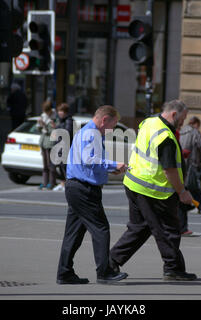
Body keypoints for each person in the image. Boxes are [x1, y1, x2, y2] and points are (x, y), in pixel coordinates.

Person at [108, 99, 198, 281]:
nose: (183, 122)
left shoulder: (149, 122)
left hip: (134, 183)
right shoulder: (165, 137)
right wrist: (182, 192)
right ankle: (173, 268)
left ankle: (110, 262)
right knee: (168, 230)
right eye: (183, 118)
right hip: (153, 190)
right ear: (174, 114)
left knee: (140, 228)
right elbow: (169, 170)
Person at [56, 105, 129, 285]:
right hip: (84, 189)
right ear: (104, 120)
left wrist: (108, 170)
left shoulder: (87, 132)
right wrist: (113, 165)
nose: (112, 130)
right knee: (101, 228)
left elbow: (88, 162)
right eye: (113, 125)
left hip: (76, 187)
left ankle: (64, 273)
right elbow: (89, 160)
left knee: (73, 234)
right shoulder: (92, 133)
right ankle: (104, 272)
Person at [180, 116, 201, 215]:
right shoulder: (194, 132)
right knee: (195, 188)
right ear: (196, 124)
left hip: (182, 163)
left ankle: (191, 206)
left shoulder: (181, 132)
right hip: (193, 164)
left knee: (186, 187)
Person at [52, 103, 74, 192]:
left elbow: (67, 133)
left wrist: (56, 129)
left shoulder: (69, 120)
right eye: (59, 111)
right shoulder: (61, 121)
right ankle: (63, 183)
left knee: (65, 167)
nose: (60, 113)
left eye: (62, 111)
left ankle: (67, 184)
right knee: (60, 166)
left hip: (66, 148)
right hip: (59, 147)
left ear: (66, 112)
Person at [37, 100, 57, 190]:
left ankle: (52, 182)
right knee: (45, 164)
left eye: (47, 111)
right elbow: (39, 130)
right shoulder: (43, 115)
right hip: (43, 142)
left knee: (50, 164)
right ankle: (44, 182)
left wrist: (44, 125)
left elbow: (53, 132)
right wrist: (39, 125)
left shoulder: (54, 117)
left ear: (50, 110)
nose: (46, 113)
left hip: (50, 143)